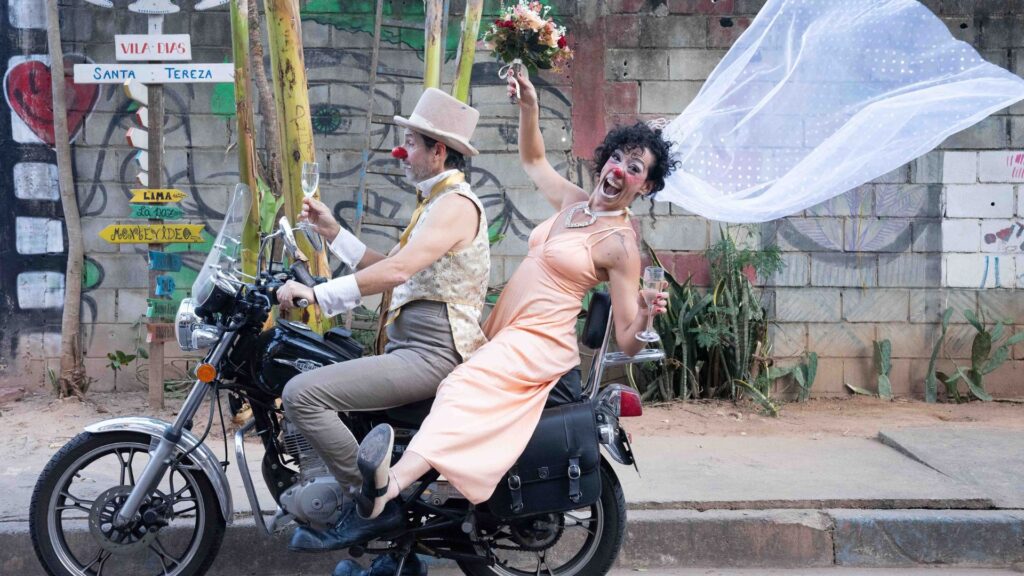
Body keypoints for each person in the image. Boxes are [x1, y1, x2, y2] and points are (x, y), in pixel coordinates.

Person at [329, 66, 674, 556]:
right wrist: (529, 102)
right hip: (504, 330)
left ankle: (384, 492)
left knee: (458, 388)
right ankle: (401, 550)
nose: (619, 169)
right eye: (617, 157)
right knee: (445, 400)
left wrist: (647, 315)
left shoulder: (620, 244)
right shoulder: (576, 206)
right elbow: (534, 160)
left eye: (635, 168)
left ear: (646, 187)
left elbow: (625, 339)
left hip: (538, 342)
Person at [274, 88, 490, 570]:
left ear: (438, 151)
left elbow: (395, 273)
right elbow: (392, 265)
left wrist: (318, 295)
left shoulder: (454, 205)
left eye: (411, 142)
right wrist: (332, 232)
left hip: (432, 351)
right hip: (413, 345)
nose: (403, 152)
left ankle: (372, 506)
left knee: (302, 394)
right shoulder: (435, 204)